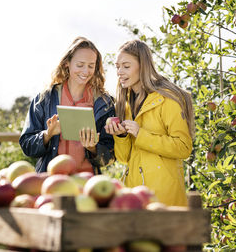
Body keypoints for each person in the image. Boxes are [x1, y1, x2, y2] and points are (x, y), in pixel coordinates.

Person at [105, 40, 195, 206]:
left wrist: (141, 134)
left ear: (143, 66)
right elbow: (124, 158)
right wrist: (122, 135)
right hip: (134, 196)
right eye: (117, 66)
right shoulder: (125, 104)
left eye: (126, 66)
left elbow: (184, 147)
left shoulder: (166, 99)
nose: (119, 72)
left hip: (163, 196)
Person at [20, 37, 115, 174]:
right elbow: (26, 146)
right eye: (80, 65)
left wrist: (93, 148)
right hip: (51, 180)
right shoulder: (45, 99)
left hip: (88, 183)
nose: (85, 71)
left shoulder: (104, 103)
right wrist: (47, 134)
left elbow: (110, 156)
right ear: (67, 63)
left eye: (91, 66)